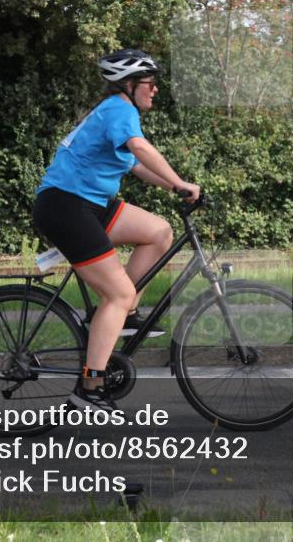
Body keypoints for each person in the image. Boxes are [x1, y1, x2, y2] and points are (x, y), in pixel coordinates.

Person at [33, 49, 200, 411]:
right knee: (118, 293)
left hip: (90, 204)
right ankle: (89, 386)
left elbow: (137, 167)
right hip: (66, 205)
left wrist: (177, 188)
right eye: (150, 83)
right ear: (129, 84)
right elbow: (140, 149)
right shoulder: (119, 110)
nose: (155, 90)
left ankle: (121, 313)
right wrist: (181, 181)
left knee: (158, 232)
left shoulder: (116, 115)